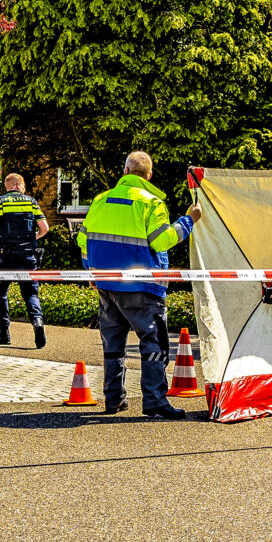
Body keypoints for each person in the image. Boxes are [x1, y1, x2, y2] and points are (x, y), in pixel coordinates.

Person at [78, 151, 193, 418]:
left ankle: (113, 399)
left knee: (113, 343)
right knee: (153, 343)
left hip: (107, 285)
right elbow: (162, 241)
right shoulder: (151, 203)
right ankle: (154, 401)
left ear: (125, 170)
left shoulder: (100, 200)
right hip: (142, 287)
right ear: (149, 175)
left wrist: (91, 273)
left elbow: (84, 241)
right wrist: (189, 221)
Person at [0, 173, 49, 348]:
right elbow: (45, 228)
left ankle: (4, 333)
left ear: (9, 186)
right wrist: (35, 236)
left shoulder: (0, 201)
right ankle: (37, 322)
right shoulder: (31, 202)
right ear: (19, 185)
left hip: (6, 257)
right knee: (31, 293)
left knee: (0, 293)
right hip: (27, 256)